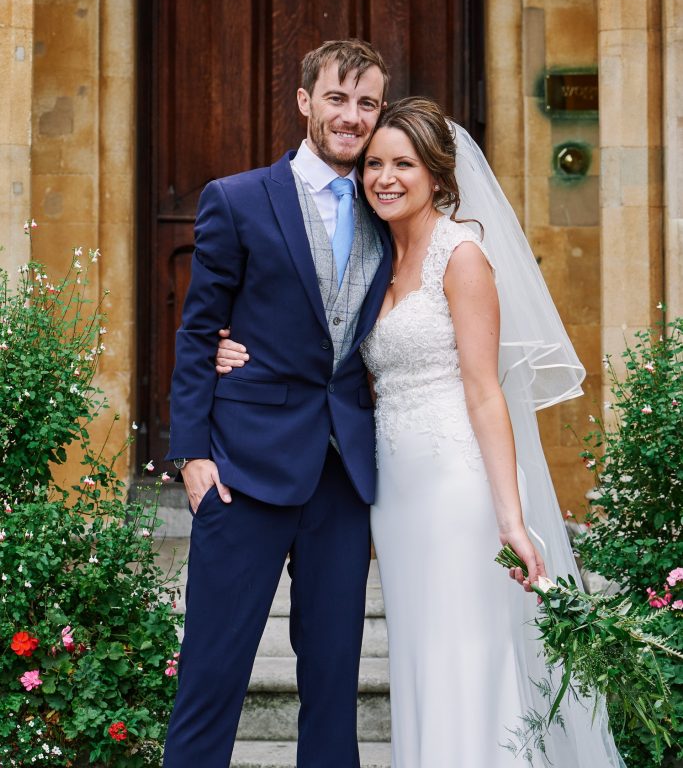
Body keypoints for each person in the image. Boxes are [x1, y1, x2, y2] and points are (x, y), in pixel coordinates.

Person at [218, 96, 624, 767]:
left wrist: (511, 518)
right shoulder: (374, 254)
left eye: (402, 163)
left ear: (436, 173)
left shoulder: (460, 255)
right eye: (373, 163)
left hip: (458, 484)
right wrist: (223, 348)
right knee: (421, 657)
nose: (384, 177)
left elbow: (483, 389)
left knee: (466, 655)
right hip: (394, 492)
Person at [163, 39, 393, 768]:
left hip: (340, 477)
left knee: (332, 685)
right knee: (212, 675)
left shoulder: (391, 205)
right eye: (337, 98)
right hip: (243, 471)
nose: (351, 118)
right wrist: (192, 456)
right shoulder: (235, 199)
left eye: (366, 104)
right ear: (304, 102)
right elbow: (201, 330)